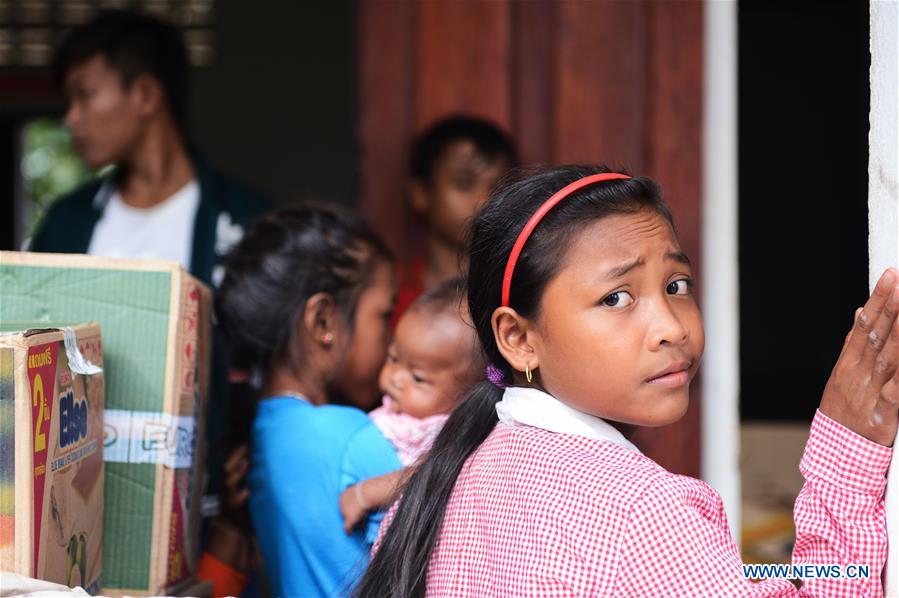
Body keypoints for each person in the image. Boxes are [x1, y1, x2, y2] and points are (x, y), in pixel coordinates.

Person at [358, 165, 899, 596]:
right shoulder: (640, 514)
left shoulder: (445, 480)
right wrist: (845, 459)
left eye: (677, 284)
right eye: (616, 298)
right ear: (518, 338)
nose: (669, 327)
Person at [215, 204, 403, 597]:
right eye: (384, 315)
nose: (394, 337)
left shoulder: (260, 440)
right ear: (323, 321)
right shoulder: (348, 436)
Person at [30, 9, 269, 288]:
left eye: (85, 95)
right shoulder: (65, 224)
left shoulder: (247, 222)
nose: (71, 118)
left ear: (145, 95)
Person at [339, 278, 484, 533]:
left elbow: (433, 471)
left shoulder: (448, 430)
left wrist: (365, 494)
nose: (396, 378)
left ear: (468, 395)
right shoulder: (400, 412)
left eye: (418, 378)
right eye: (394, 358)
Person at [392, 115, 517, 326]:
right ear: (421, 192)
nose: (485, 200)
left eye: (498, 186)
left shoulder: (520, 290)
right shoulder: (390, 293)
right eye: (464, 183)